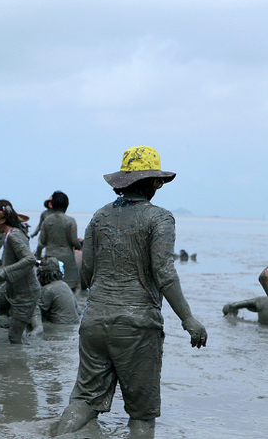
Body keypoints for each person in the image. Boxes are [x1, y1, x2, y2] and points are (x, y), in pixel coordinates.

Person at [56, 146, 208, 436]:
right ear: (154, 182)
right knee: (141, 415)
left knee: (84, 400)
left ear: (122, 182)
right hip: (137, 327)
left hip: (94, 323)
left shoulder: (99, 217)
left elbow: (86, 274)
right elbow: (164, 272)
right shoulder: (160, 218)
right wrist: (188, 320)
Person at [0, 199, 40, 344]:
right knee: (18, 334)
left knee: (14, 336)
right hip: (16, 291)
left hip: (26, 294)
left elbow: (30, 259)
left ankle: (21, 364)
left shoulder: (13, 236)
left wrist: (5, 271)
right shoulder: (14, 233)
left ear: (0, 221)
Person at [38, 191, 82, 290]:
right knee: (71, 287)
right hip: (67, 260)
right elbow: (74, 242)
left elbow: (42, 242)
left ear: (52, 205)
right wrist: (79, 246)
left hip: (50, 259)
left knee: (50, 288)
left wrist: (37, 258)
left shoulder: (47, 221)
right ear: (67, 205)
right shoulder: (70, 221)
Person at [36, 256, 81, 324]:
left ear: (43, 274)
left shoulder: (48, 289)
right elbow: (78, 311)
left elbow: (37, 311)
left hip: (58, 324)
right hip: (73, 323)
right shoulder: (65, 285)